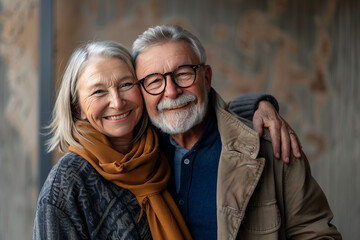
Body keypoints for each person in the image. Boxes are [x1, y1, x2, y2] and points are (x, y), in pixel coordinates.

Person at [33, 41, 294, 239]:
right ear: (77, 108)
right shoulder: (68, 182)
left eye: (126, 85)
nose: (117, 101)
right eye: (98, 91)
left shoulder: (158, 144)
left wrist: (258, 105)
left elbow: (198, 110)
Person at [132, 25, 342, 239]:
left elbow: (315, 233)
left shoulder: (271, 146)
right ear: (139, 91)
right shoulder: (128, 157)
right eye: (154, 81)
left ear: (206, 77)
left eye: (183, 74)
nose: (171, 91)